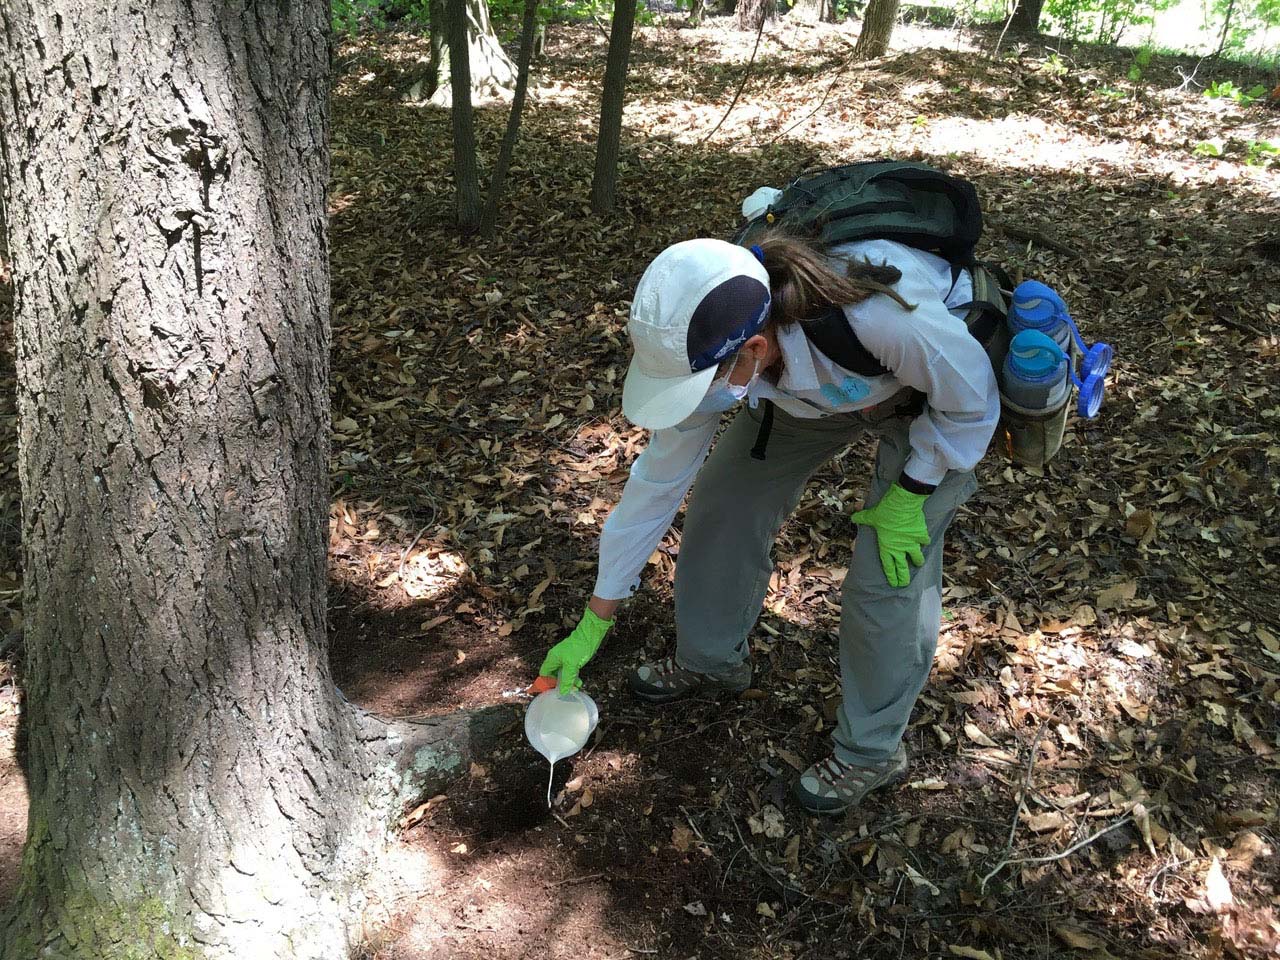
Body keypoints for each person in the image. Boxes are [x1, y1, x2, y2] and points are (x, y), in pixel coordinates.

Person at [538, 229, 999, 814]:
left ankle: (871, 750)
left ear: (755, 348)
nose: (694, 399)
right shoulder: (709, 348)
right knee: (724, 501)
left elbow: (972, 400)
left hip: (929, 407)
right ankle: (710, 661)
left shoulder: (880, 318)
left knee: (887, 573)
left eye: (700, 386)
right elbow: (656, 487)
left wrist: (913, 491)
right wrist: (594, 621)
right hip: (806, 393)